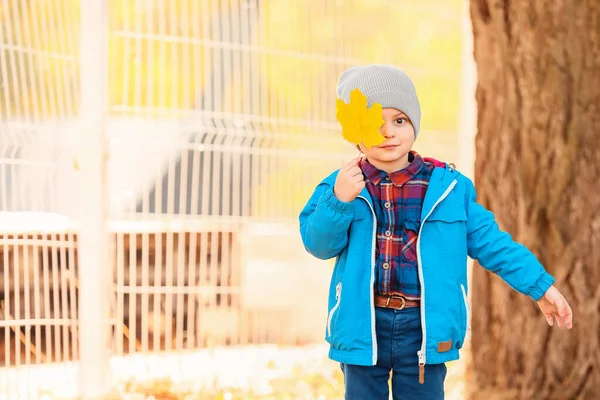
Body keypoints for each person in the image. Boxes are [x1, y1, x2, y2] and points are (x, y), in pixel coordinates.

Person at [298, 64, 573, 399]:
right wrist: (339, 201)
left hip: (424, 328)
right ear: (354, 132)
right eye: (374, 123)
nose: (388, 132)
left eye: (399, 120)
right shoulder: (340, 186)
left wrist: (539, 286)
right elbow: (318, 244)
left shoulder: (449, 189)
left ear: (414, 123)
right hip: (362, 328)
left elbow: (494, 245)